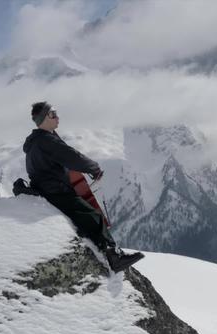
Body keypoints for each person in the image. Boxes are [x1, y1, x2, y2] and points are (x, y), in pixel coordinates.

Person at [23, 101, 144, 272]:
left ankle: (111, 252)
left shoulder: (40, 140)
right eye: (53, 114)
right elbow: (71, 156)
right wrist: (93, 168)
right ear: (44, 118)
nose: (57, 117)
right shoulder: (46, 141)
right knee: (91, 215)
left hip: (47, 188)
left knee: (88, 213)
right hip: (55, 191)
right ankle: (114, 257)